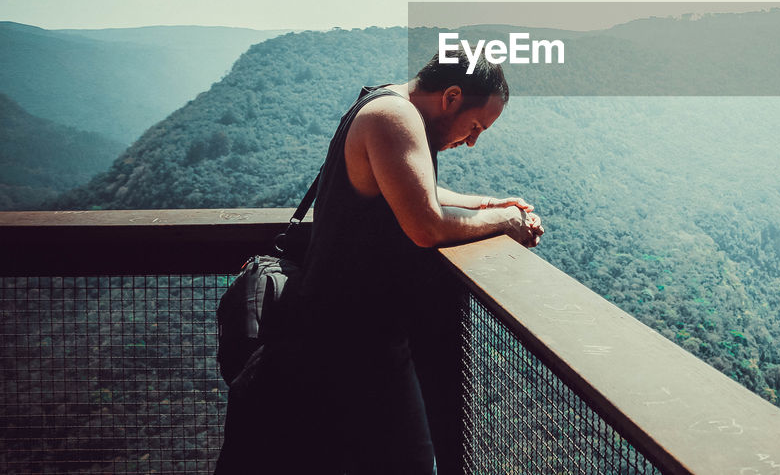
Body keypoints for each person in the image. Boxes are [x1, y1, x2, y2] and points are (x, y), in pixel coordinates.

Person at [215, 50, 542, 475]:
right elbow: (426, 223)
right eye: (476, 126)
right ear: (452, 96)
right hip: (353, 345)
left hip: (346, 336)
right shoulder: (394, 116)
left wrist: (489, 204)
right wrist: (506, 222)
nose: (473, 141)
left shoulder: (385, 101)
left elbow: (413, 188)